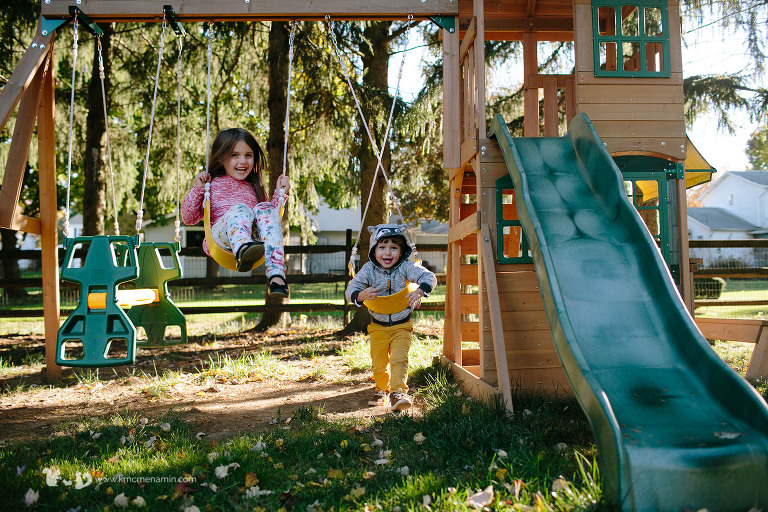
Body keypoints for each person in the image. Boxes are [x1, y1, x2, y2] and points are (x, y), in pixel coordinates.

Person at [181, 127, 290, 297]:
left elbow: (269, 224)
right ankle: (243, 249)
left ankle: (276, 274)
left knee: (264, 209)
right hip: (221, 238)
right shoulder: (212, 185)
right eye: (235, 155)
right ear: (221, 158)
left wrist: (279, 195)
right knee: (241, 210)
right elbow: (188, 218)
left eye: (248, 155)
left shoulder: (255, 187)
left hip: (253, 240)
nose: (243, 161)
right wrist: (198, 189)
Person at [345, 224, 437, 411]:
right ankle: (381, 389)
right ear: (373, 250)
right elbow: (351, 290)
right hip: (377, 326)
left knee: (399, 359)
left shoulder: (405, 267)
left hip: (402, 325)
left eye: (393, 248)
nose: (387, 253)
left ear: (402, 251)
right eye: (382, 247)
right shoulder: (368, 270)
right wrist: (361, 295)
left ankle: (398, 392)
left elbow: (430, 277)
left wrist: (420, 291)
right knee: (379, 362)